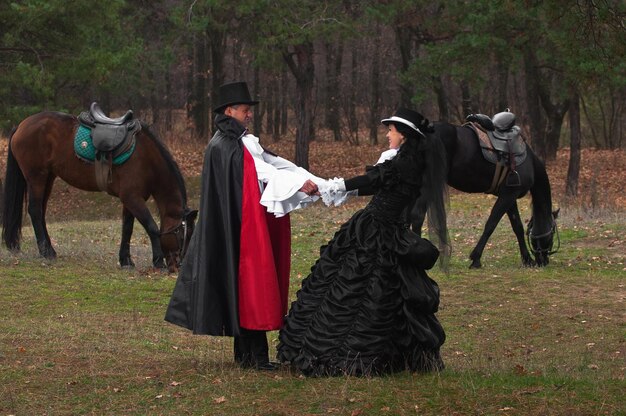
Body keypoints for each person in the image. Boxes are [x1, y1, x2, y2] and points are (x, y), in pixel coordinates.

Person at [277, 108, 448, 376]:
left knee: (366, 293)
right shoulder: (405, 160)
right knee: (375, 291)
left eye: (391, 130)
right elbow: (374, 185)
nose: (388, 134)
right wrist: (336, 187)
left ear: (403, 135)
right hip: (376, 228)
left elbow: (372, 180)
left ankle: (349, 357)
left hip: (378, 232)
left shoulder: (403, 164)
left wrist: (335, 185)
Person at [165, 81, 320, 371]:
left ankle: (247, 356)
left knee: (243, 285)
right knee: (250, 284)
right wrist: (300, 183)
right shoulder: (230, 143)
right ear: (229, 110)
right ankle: (256, 358)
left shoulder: (230, 140)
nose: (249, 114)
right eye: (245, 110)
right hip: (241, 226)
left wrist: (304, 178)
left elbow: (273, 164)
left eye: (249, 110)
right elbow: (262, 170)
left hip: (237, 224)